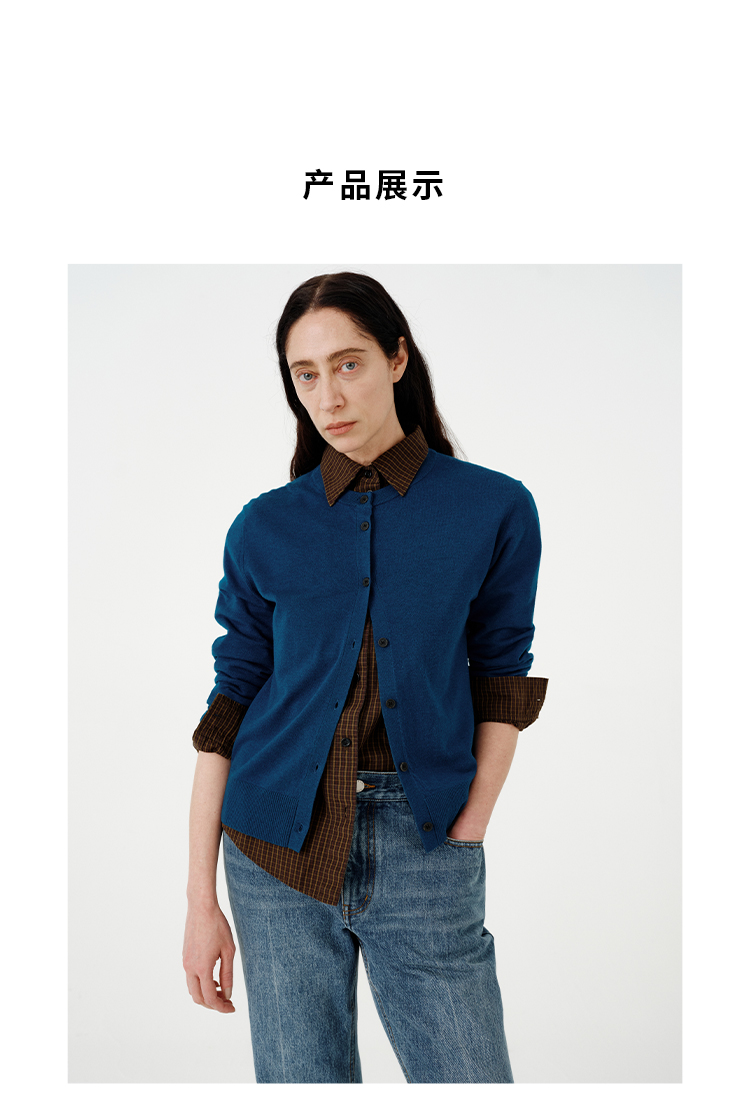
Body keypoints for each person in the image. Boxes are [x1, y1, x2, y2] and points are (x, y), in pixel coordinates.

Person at [182, 271, 548, 1084]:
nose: (328, 395)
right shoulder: (264, 525)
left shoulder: (493, 508)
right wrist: (201, 902)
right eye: (305, 374)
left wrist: (468, 829)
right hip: (272, 846)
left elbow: (502, 677)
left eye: (348, 364)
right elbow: (230, 705)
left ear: (397, 358)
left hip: (425, 839)